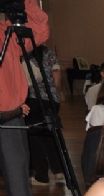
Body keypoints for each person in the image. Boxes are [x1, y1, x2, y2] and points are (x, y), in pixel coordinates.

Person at [0, 0, 50, 196]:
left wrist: (26, 1)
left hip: (10, 118)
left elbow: (39, 32)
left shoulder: (7, 31)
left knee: (19, 182)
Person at [25, 44, 63, 185]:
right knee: (49, 134)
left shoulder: (24, 52)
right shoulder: (48, 51)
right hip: (52, 99)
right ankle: (58, 170)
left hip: (33, 98)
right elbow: (57, 74)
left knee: (34, 136)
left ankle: (41, 175)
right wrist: (55, 91)